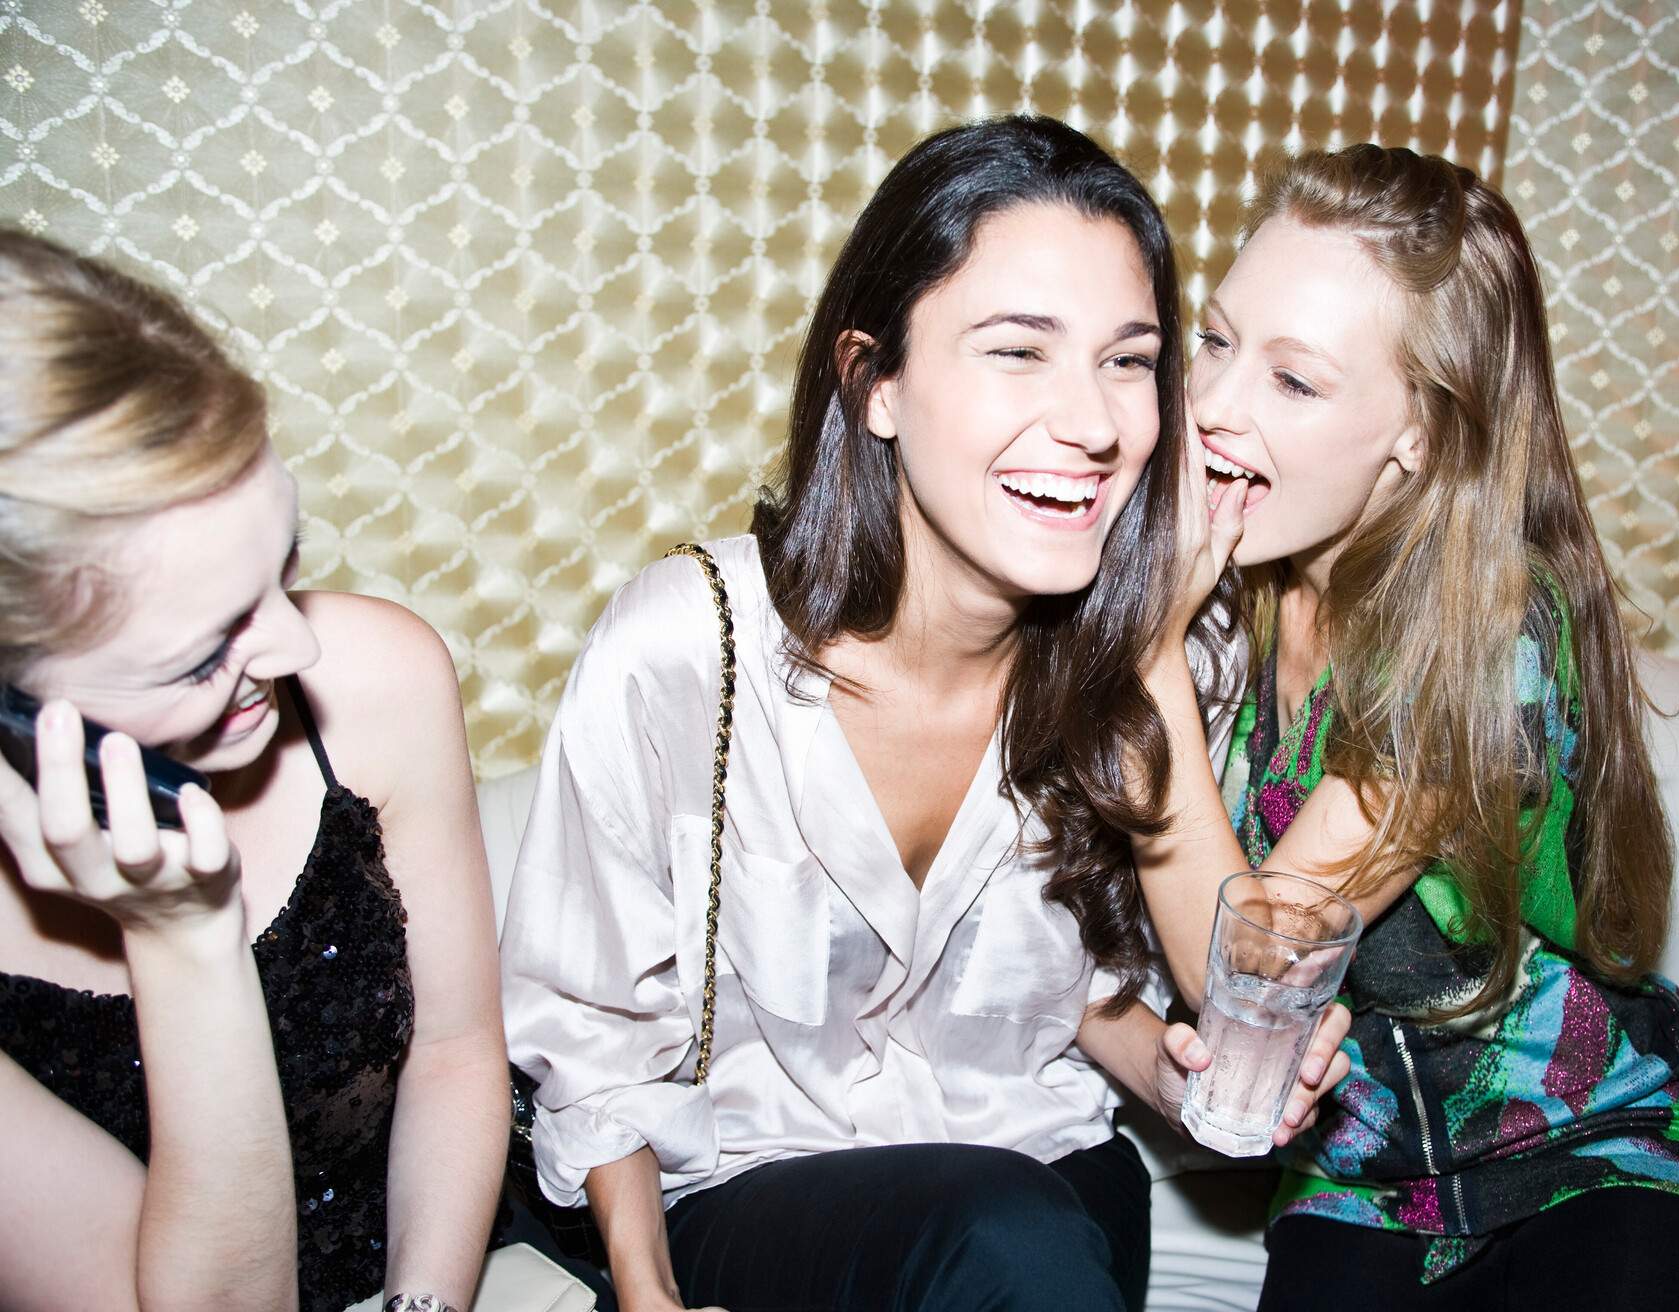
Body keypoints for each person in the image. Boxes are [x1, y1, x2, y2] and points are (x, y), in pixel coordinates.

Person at [499, 115, 1350, 1312]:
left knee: (1033, 1227)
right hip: (758, 1191)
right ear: (876, 381)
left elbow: (1087, 999)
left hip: (1045, 1172)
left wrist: (1190, 1083)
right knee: (1005, 1239)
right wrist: (643, 1291)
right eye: (1017, 351)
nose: (1096, 423)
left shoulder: (1160, 659)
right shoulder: (688, 650)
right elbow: (589, 1031)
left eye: (1128, 360)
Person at [1134, 145, 1679, 1310]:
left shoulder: (1493, 625)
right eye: (1215, 342)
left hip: (1592, 1151)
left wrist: (1149, 663)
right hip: (1359, 1179)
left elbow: (1257, 962)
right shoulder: (1227, 578)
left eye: (1296, 380)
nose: (1212, 407)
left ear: (1421, 429)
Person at [0, 230, 509, 1312]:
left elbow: (459, 1050)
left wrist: (426, 1302)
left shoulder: (377, 677)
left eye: (284, 565)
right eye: (203, 649)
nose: (294, 648)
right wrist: (183, 934)